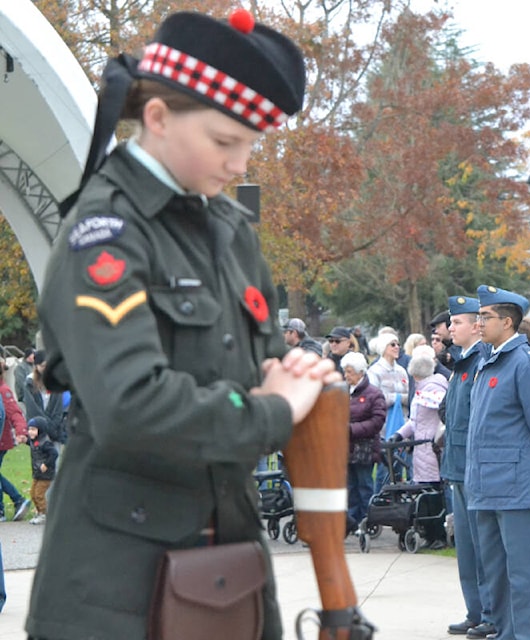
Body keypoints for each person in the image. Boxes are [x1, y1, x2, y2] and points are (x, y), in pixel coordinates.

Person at [24, 10, 341, 639]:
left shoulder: (231, 233)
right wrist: (272, 411)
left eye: (250, 144)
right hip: (116, 593)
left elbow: (271, 369)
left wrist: (297, 379)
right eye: (224, 142)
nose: (239, 163)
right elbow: (129, 403)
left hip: (229, 572)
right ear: (159, 117)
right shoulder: (106, 232)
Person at [467, 284, 530, 640]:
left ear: (507, 322)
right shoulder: (487, 360)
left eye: (485, 317)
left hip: (516, 485)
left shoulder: (526, 364)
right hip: (485, 486)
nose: (479, 323)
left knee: (524, 574)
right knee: (496, 575)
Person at [441, 296, 496, 639]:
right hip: (456, 464)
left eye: (456, 322)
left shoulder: (480, 362)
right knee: (466, 546)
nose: (450, 328)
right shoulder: (461, 363)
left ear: (476, 325)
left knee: (483, 545)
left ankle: (490, 611)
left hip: (473, 466)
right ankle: (475, 610)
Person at [342, 351, 385, 528]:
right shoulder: (343, 392)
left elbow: (377, 421)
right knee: (351, 486)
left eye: (349, 372)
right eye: (345, 371)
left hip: (365, 448)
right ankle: (353, 520)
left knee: (364, 485)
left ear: (361, 372)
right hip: (346, 448)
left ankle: (368, 519)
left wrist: (351, 429)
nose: (346, 375)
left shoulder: (374, 394)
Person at [393, 346, 447, 483]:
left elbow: (440, 405)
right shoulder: (422, 389)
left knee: (436, 489)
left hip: (431, 449)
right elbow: (415, 420)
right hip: (423, 450)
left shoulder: (431, 389)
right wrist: (399, 434)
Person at [0, 363, 30, 521]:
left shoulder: (3, 391)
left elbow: (15, 413)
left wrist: (21, 431)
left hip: (1, 441)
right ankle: (18, 500)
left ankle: (6, 507)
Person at [23, 351, 66, 446]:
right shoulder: (29, 383)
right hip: (38, 431)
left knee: (55, 458)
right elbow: (32, 409)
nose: (46, 369)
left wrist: (53, 427)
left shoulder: (56, 381)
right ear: (36, 366)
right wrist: (45, 426)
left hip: (54, 432)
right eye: (43, 366)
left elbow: (58, 409)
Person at [25, 416, 58, 526]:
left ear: (41, 430)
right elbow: (29, 443)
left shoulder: (45, 442)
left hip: (46, 474)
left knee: (39, 494)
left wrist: (46, 464)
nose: (30, 432)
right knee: (33, 494)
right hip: (37, 473)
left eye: (33, 429)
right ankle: (39, 512)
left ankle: (43, 514)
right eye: (29, 429)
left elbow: (54, 453)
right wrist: (22, 439)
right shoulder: (34, 441)